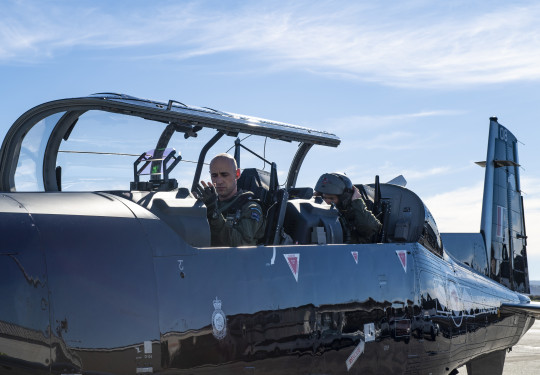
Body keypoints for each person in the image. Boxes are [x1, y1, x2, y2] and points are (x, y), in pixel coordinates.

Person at [192, 153, 265, 247]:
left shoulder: (250, 208)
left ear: (237, 174)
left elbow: (241, 244)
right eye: (214, 175)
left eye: (224, 175)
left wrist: (213, 214)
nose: (218, 181)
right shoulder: (209, 204)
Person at [314, 172, 381, 244]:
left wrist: (357, 202)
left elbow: (369, 227)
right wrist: (314, 201)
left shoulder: (355, 213)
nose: (326, 201)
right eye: (324, 197)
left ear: (344, 198)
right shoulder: (322, 215)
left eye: (331, 198)